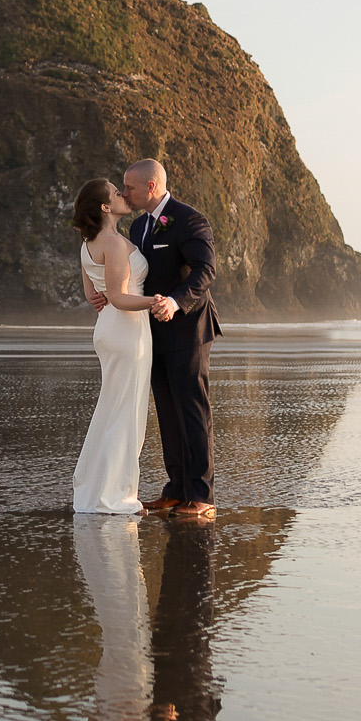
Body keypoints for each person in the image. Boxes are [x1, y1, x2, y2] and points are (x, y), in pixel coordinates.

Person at [89, 159, 221, 520]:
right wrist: (102, 292)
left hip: (188, 330)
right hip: (150, 333)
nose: (124, 193)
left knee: (193, 411)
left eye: (129, 187)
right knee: (167, 411)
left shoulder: (189, 219)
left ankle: (202, 495)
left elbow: (205, 269)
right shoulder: (140, 225)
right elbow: (129, 275)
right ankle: (176, 489)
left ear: (150, 186)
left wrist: (176, 302)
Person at [71, 179, 157, 514]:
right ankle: (116, 497)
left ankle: (97, 489)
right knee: (126, 415)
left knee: (111, 410)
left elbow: (93, 294)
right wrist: (157, 300)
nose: (122, 194)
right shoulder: (117, 244)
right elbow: (119, 298)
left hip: (106, 330)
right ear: (106, 207)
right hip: (127, 331)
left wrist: (103, 296)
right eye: (115, 192)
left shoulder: (88, 242)